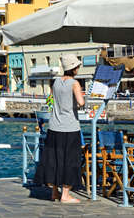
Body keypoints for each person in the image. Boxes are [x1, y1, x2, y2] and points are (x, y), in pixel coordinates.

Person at [34, 54, 85, 203]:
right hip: (69, 127)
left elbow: (56, 101)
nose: (78, 68)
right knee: (70, 160)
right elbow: (81, 102)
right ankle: (66, 195)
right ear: (74, 68)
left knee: (54, 160)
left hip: (54, 126)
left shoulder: (55, 82)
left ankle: (54, 192)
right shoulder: (75, 83)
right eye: (77, 66)